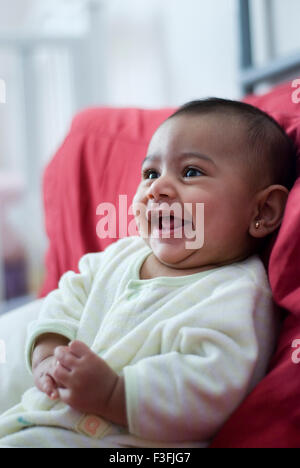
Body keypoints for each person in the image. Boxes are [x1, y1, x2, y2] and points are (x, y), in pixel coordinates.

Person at [0, 98, 296, 448]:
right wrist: (48, 354)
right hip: (41, 420)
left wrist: (115, 393)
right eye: (151, 174)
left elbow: (210, 382)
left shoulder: (235, 294)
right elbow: (66, 299)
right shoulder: (119, 255)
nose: (157, 189)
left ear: (263, 210)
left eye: (191, 172)